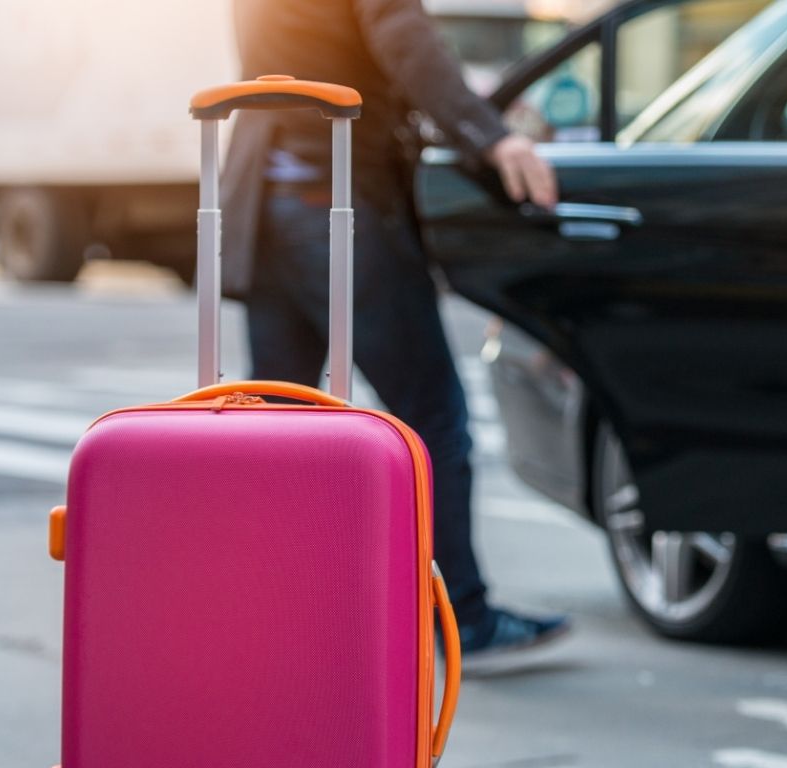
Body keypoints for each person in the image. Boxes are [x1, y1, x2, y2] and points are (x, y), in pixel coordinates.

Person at [223, 0, 570, 661]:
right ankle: (461, 617)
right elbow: (403, 34)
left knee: (277, 428)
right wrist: (491, 136)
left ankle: (268, 620)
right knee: (431, 417)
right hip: (336, 195)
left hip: (264, 201)